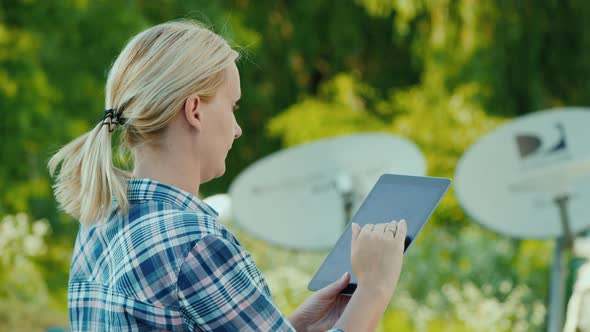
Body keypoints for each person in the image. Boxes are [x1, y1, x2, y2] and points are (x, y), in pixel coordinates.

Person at [48, 20, 407, 332]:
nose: (237, 129)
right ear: (194, 111)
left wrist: (292, 326)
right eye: (232, 106)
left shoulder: (100, 218)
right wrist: (374, 290)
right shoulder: (194, 241)